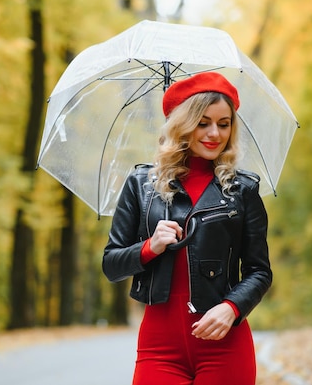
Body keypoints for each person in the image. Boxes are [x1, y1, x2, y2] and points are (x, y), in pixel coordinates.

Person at [102, 72, 272, 385]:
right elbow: (111, 265)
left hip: (224, 344)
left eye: (224, 124)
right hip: (159, 347)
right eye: (203, 122)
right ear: (182, 123)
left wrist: (232, 307)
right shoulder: (142, 186)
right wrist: (149, 247)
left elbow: (259, 271)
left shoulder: (242, 190)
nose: (214, 133)